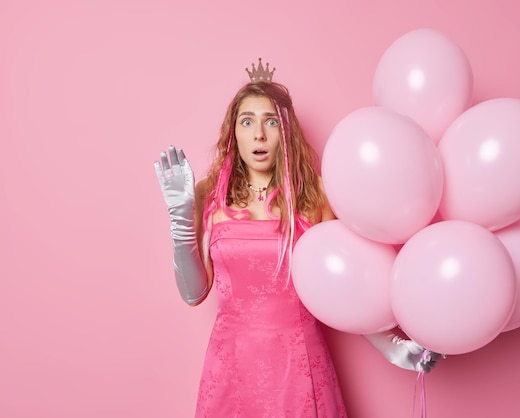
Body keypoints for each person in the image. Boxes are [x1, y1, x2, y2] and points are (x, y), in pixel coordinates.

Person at [154, 58, 438, 417]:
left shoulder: (315, 195)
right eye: (247, 122)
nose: (259, 134)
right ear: (234, 133)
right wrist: (181, 222)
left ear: (285, 132)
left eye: (270, 122)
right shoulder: (209, 194)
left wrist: (391, 347)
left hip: (299, 363)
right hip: (232, 365)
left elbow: (341, 289)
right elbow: (193, 293)